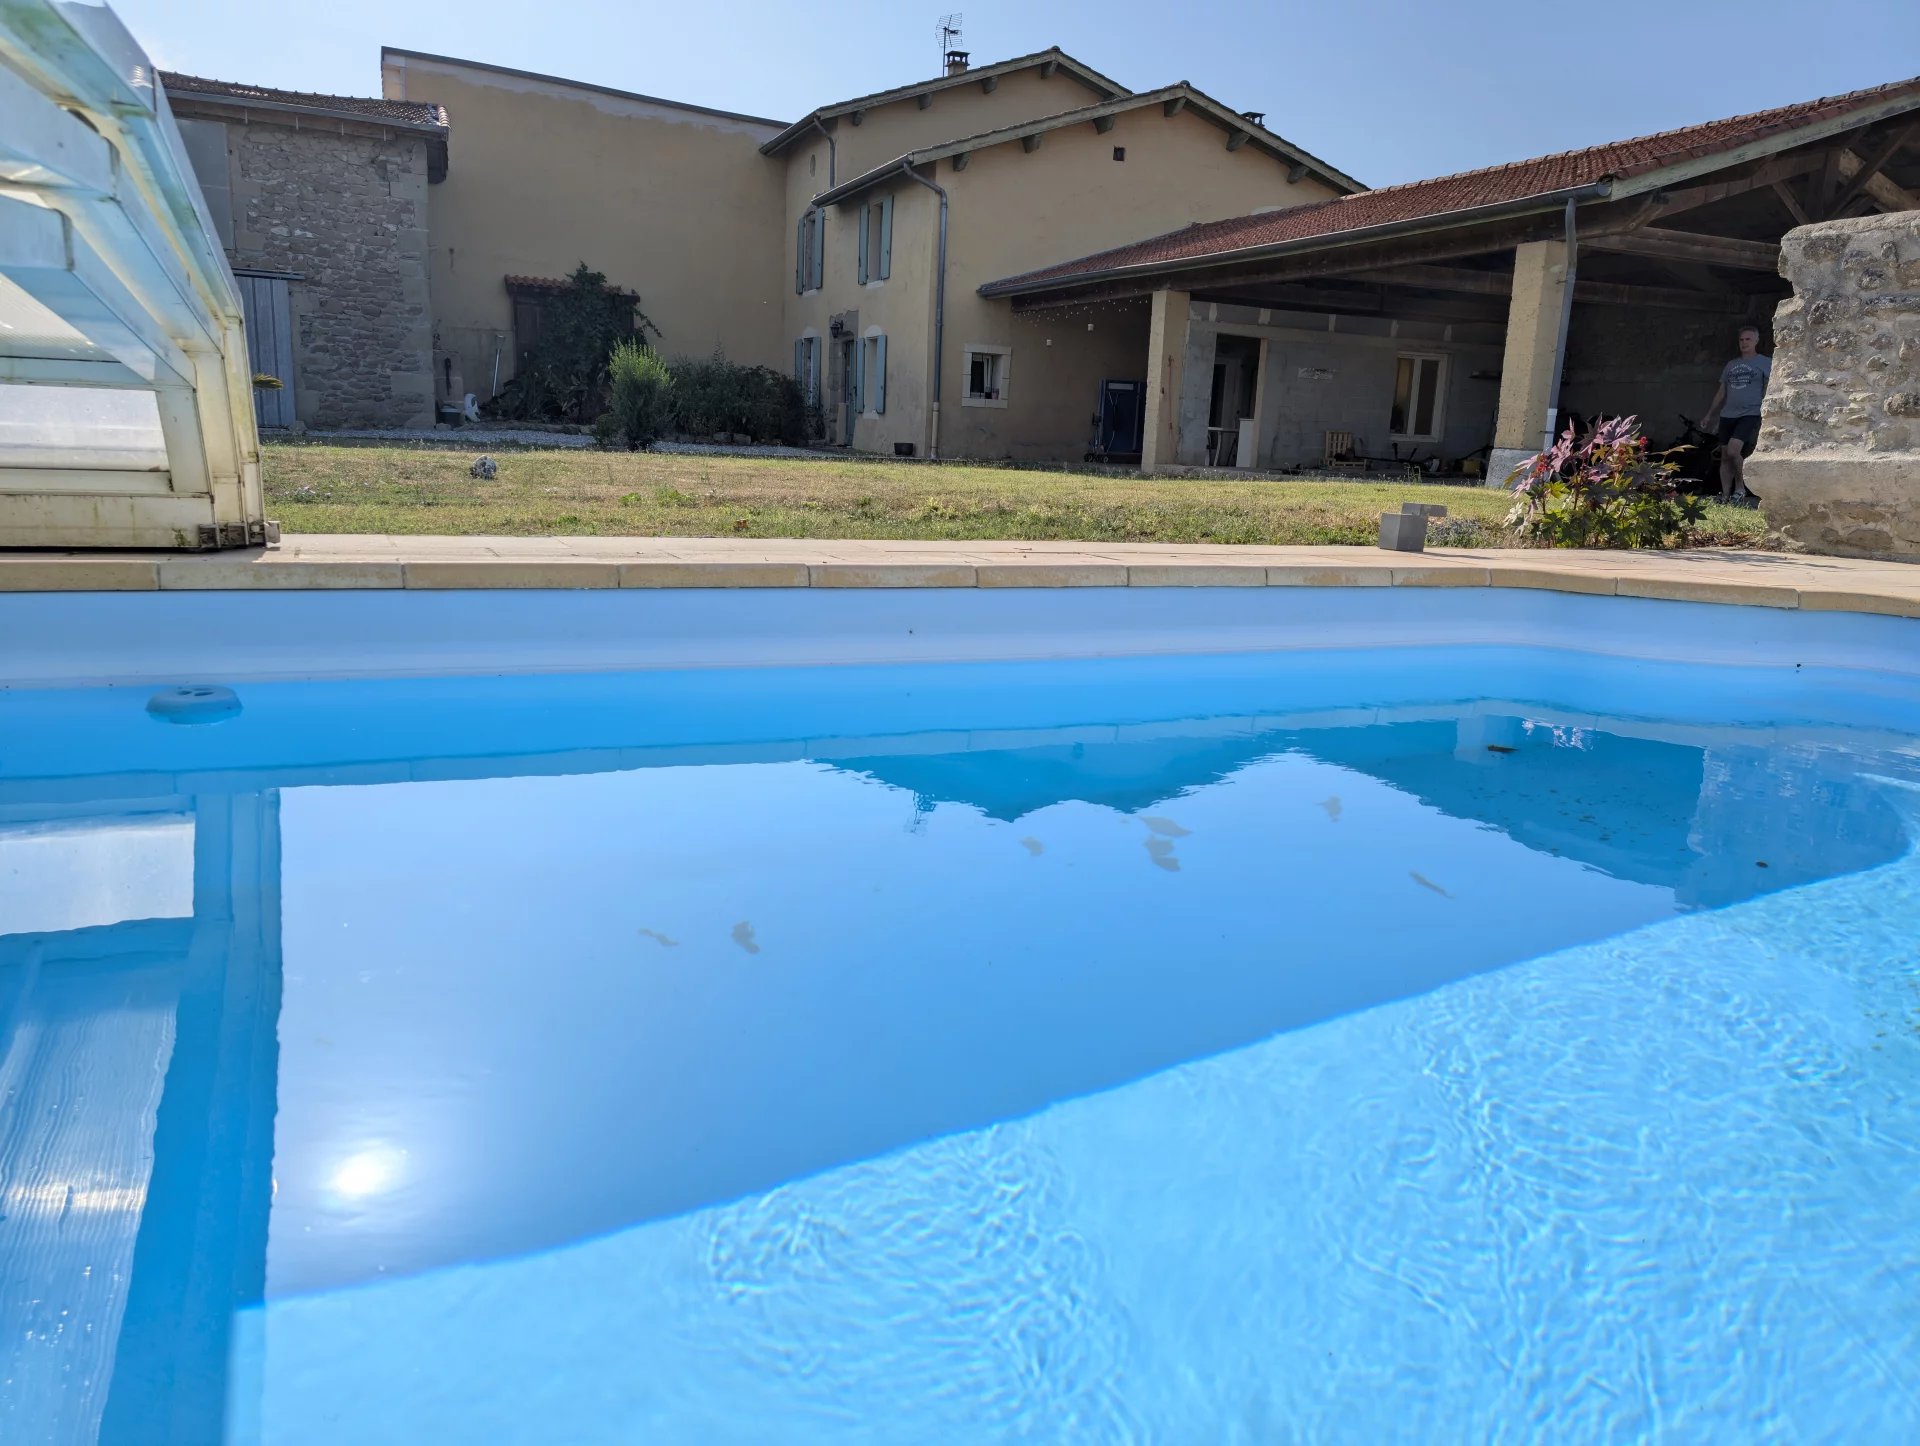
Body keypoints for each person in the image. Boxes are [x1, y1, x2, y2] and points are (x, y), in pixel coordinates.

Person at [1701, 326, 1771, 504]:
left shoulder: (1765, 362)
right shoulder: (1731, 365)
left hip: (1750, 412)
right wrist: (1710, 415)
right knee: (1725, 455)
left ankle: (1740, 488)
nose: (1744, 343)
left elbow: (1770, 386)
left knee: (1734, 450)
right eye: (1741, 340)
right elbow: (1721, 392)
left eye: (1748, 339)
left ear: (1756, 341)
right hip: (1728, 414)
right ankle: (1725, 495)